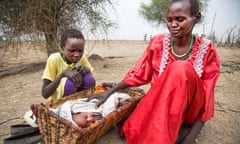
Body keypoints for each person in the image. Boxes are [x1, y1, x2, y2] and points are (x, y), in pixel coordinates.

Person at [88, 0, 220, 143]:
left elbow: (207, 98)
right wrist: (109, 92)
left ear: (197, 17)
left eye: (180, 19)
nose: (173, 25)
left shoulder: (207, 49)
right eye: (169, 20)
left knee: (180, 68)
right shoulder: (158, 42)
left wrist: (189, 139)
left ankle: (170, 131)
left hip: (188, 109)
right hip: (161, 104)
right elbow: (139, 73)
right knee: (133, 129)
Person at [41, 28, 95, 100]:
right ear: (62, 47)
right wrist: (63, 74)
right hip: (58, 102)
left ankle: (82, 101)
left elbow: (92, 84)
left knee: (88, 78)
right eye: (72, 51)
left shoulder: (82, 58)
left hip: (79, 99)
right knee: (70, 83)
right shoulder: (54, 59)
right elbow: (45, 93)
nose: (77, 54)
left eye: (80, 51)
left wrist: (86, 70)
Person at [50, 91, 134, 130]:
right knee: (108, 113)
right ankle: (119, 98)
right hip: (108, 105)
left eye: (86, 117)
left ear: (79, 111)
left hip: (103, 101)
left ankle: (119, 98)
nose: (91, 119)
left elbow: (95, 103)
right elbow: (106, 112)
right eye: (90, 123)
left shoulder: (78, 107)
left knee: (110, 107)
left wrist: (116, 98)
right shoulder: (100, 116)